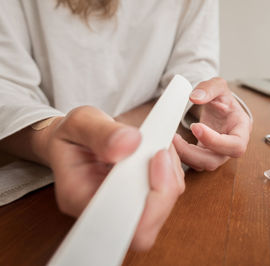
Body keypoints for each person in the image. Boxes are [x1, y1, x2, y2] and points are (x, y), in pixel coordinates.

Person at [0, 0, 251, 250]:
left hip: (153, 158)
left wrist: (206, 104)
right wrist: (51, 134)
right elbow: (5, 86)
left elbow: (192, 64)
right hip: (33, 178)